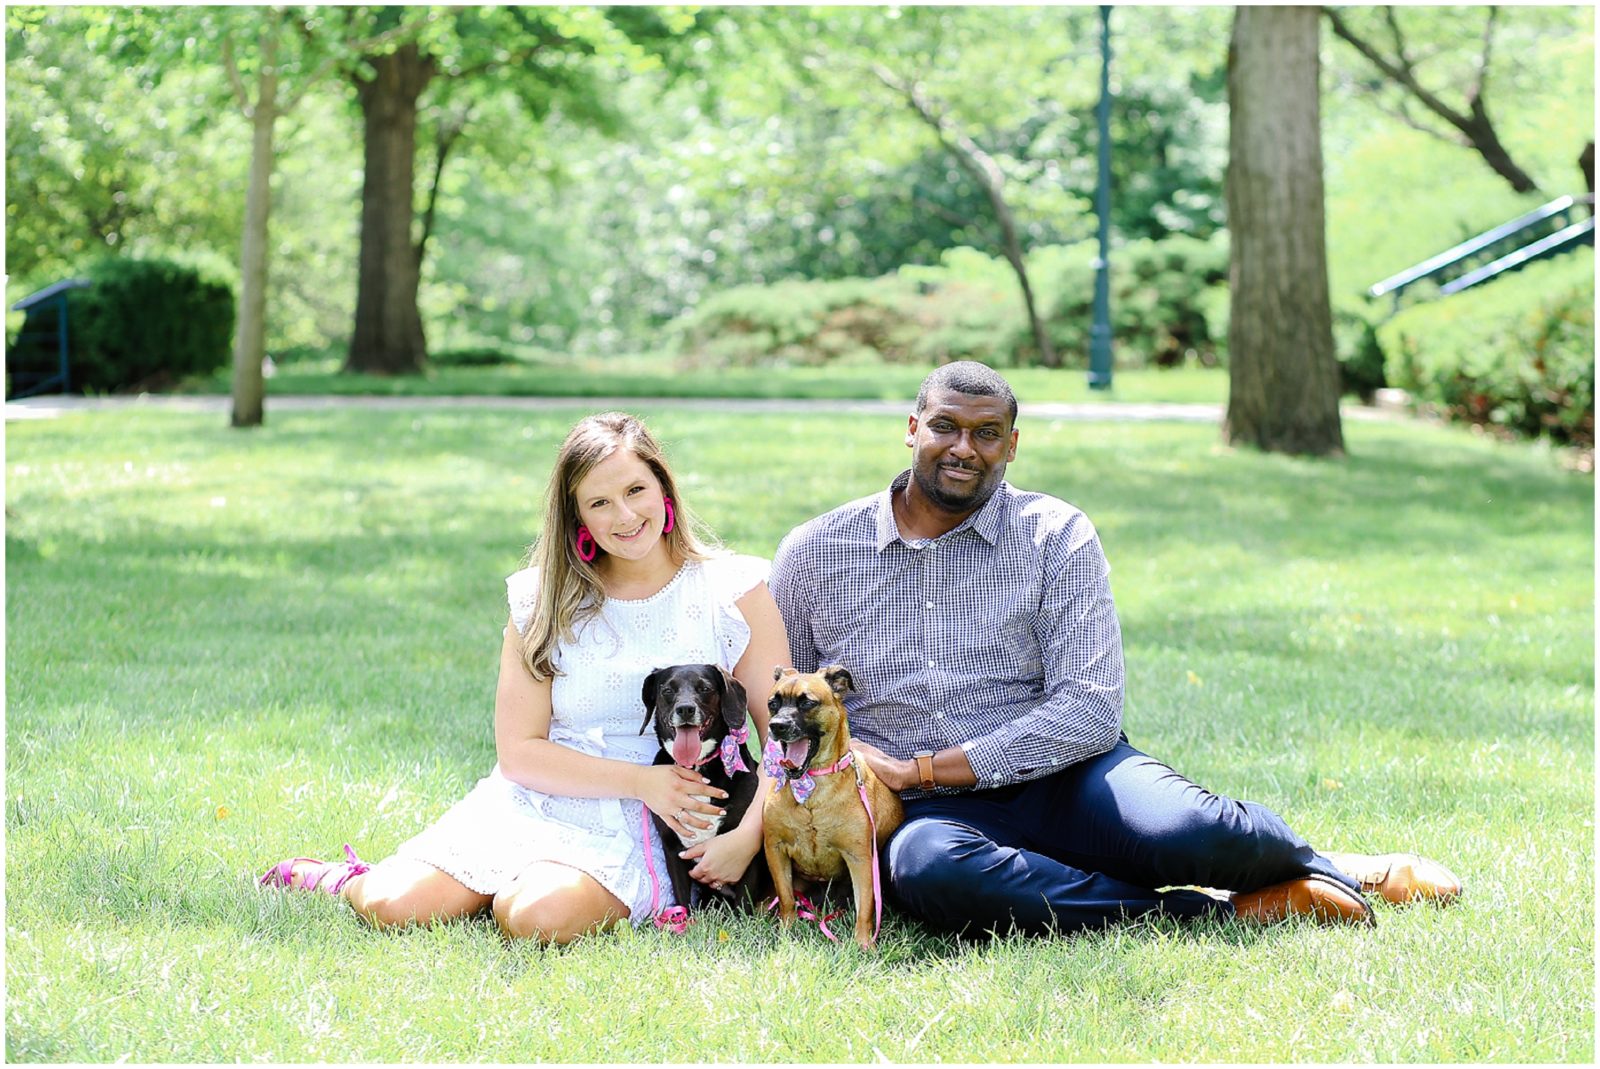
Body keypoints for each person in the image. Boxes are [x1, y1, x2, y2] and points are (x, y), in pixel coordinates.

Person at [769, 361, 1461, 936]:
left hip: (1069, 773)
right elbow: (783, 711)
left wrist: (923, 767)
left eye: (987, 433)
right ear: (912, 427)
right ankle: (1210, 914)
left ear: (1012, 446)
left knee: (1188, 829)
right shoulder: (815, 551)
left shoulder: (1055, 534)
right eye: (945, 425)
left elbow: (1091, 709)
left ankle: (1339, 866)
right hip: (921, 814)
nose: (963, 448)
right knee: (931, 873)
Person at [260, 412, 789, 944]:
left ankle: (523, 887)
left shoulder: (732, 589)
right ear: (576, 516)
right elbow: (519, 751)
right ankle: (347, 879)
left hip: (661, 819)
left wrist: (745, 837)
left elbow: (786, 738)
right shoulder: (545, 599)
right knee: (391, 904)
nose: (625, 515)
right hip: (544, 793)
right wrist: (640, 780)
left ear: (664, 489)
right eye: (599, 502)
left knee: (535, 916)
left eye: (636, 490)